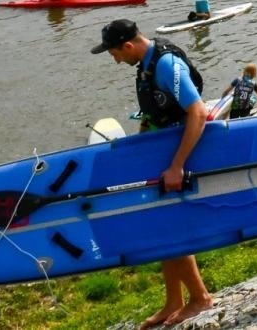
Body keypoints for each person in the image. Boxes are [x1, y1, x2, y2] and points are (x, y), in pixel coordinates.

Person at [90, 19, 212, 327]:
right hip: (161, 153)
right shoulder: (145, 65)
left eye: (115, 53)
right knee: (162, 227)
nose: (115, 60)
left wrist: (177, 165)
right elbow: (156, 110)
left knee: (170, 227)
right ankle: (174, 301)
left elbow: (198, 112)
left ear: (128, 46)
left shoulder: (166, 65)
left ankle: (200, 299)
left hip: (180, 155)